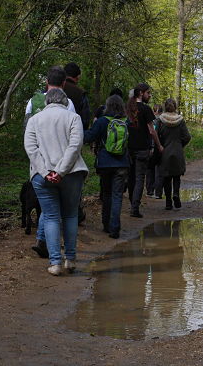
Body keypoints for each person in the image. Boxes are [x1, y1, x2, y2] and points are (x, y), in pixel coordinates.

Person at [24, 85, 88, 276]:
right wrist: (61, 171)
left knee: (51, 216)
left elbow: (31, 149)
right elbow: (75, 146)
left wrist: (45, 172)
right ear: (66, 102)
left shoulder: (34, 120)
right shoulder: (73, 118)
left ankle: (55, 263)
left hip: (42, 177)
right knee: (70, 215)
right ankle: (70, 259)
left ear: (46, 102)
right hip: (72, 174)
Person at [24, 67, 76, 258]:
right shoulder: (68, 104)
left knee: (47, 203)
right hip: (61, 164)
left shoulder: (32, 101)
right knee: (56, 206)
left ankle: (42, 239)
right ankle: (45, 241)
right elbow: (72, 136)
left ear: (46, 82)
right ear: (64, 83)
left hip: (38, 161)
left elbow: (27, 131)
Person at [83, 95, 130, 239]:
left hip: (105, 163)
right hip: (122, 164)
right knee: (117, 195)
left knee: (107, 194)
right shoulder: (127, 122)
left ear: (107, 106)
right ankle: (115, 228)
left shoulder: (102, 121)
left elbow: (88, 137)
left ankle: (106, 224)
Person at [126, 83, 163, 218]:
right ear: (141, 93)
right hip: (142, 148)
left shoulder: (128, 107)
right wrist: (158, 145)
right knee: (140, 178)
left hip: (129, 148)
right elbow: (152, 130)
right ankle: (134, 207)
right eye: (148, 93)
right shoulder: (146, 109)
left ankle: (132, 202)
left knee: (131, 177)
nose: (150, 95)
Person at [157, 98, 191, 210]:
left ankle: (168, 202)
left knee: (167, 178)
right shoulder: (180, 120)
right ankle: (176, 194)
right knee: (176, 176)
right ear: (175, 107)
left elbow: (156, 135)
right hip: (177, 151)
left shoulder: (160, 120)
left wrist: (160, 145)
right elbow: (187, 136)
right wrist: (181, 144)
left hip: (165, 151)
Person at [63, 62, 91, 130]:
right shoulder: (81, 93)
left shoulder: (51, 89)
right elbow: (85, 121)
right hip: (72, 133)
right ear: (78, 76)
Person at [146, 105, 163, 199]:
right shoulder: (163, 121)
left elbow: (151, 134)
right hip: (159, 148)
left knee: (149, 170)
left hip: (152, 148)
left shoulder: (153, 121)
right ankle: (158, 192)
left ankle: (150, 191)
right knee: (158, 171)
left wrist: (151, 147)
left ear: (155, 111)